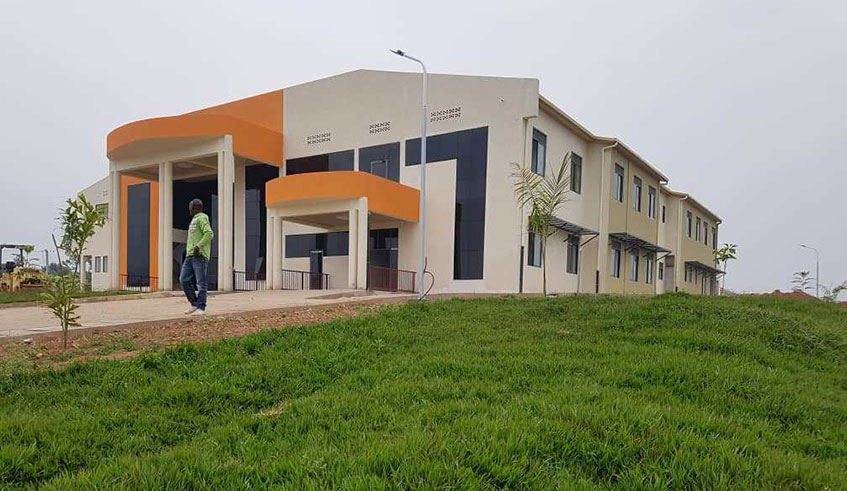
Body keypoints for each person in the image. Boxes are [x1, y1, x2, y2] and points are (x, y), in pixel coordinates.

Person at [181, 198, 213, 315]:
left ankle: (201, 307)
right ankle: (194, 303)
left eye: (190, 208)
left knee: (201, 282)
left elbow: (209, 233)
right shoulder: (194, 220)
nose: (189, 210)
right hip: (189, 256)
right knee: (183, 279)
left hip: (198, 256)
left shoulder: (202, 218)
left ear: (194, 208)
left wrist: (198, 246)